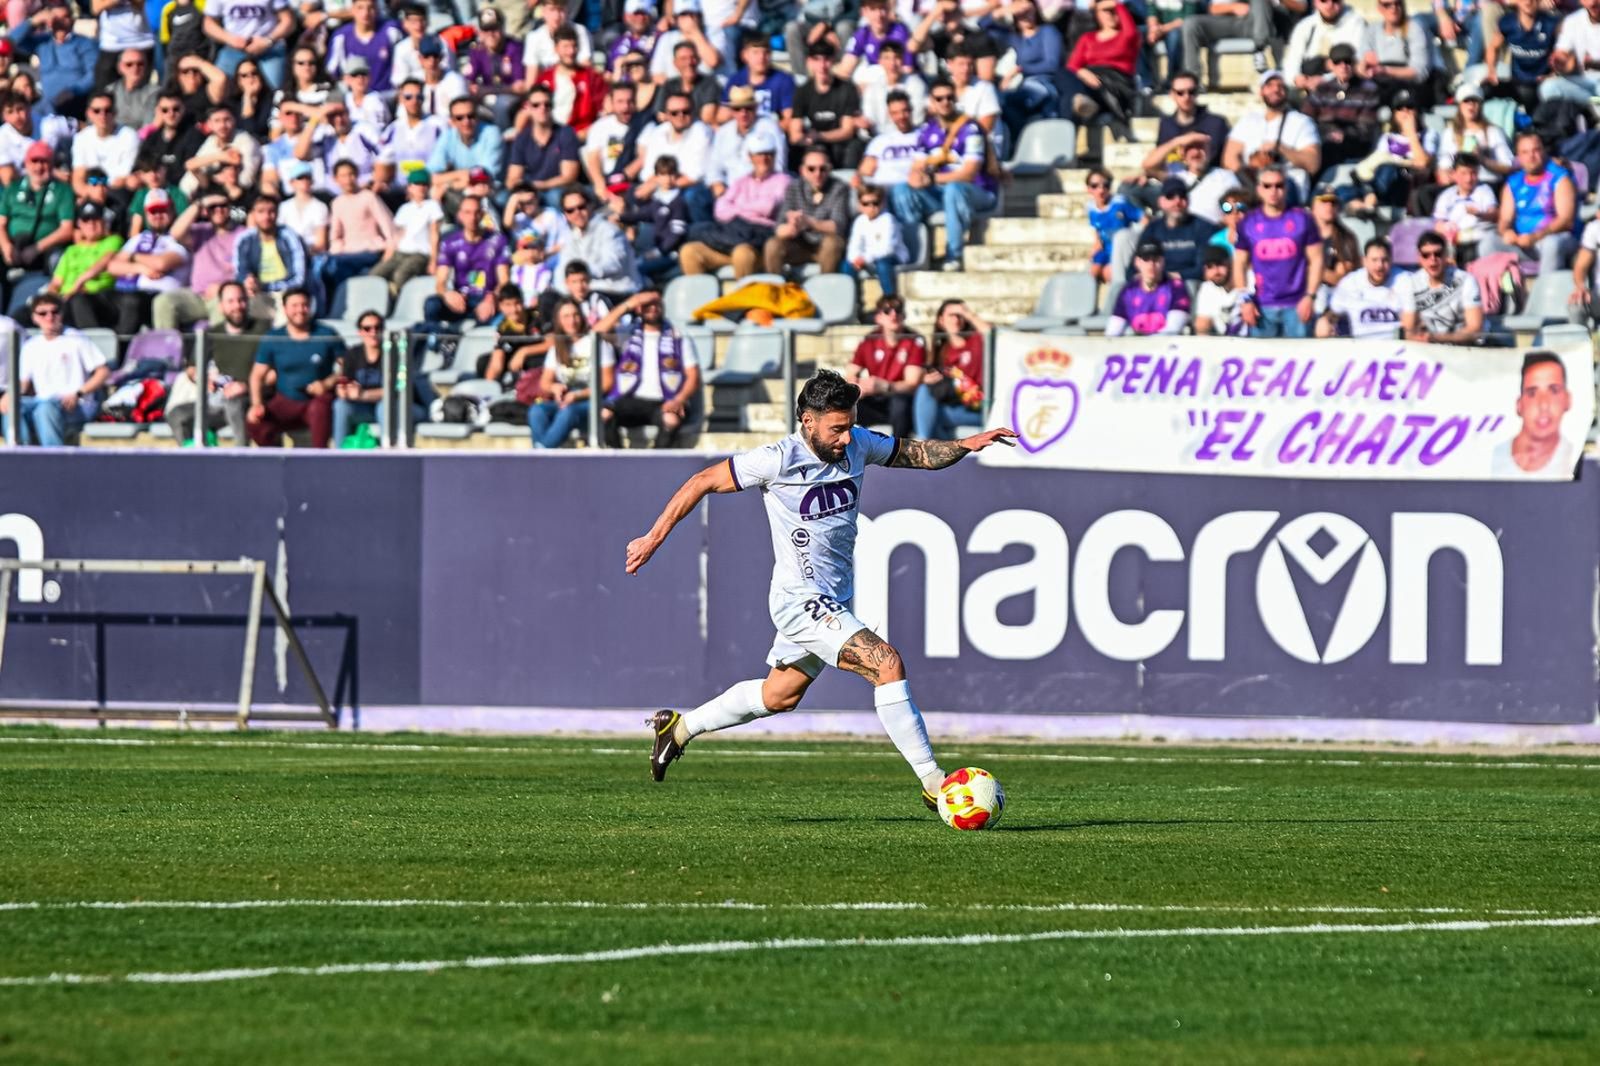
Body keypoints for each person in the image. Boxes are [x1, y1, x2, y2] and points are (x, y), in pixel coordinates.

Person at [629, 369, 1018, 808]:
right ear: (807, 421)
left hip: (834, 598)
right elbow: (701, 481)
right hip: (800, 600)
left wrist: (964, 446)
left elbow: (915, 453)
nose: (847, 439)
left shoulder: (859, 444)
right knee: (886, 664)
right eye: (837, 428)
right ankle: (934, 784)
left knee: (779, 696)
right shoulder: (776, 459)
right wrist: (653, 537)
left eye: (851, 425)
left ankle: (677, 729)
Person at [892, 78, 997, 272]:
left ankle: (953, 255)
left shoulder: (970, 128)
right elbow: (917, 166)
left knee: (954, 189)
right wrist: (916, 178)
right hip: (940, 192)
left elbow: (969, 173)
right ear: (931, 102)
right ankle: (916, 254)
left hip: (976, 191)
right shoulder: (926, 130)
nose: (945, 102)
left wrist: (931, 179)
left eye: (949, 97)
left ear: (955, 99)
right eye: (939, 98)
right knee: (902, 190)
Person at [0, 292, 108, 447]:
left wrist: (78, 393)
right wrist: (10, 396)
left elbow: (103, 372)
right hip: (43, 402)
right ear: (34, 318)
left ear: (62, 313)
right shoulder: (31, 346)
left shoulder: (76, 339)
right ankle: (19, 454)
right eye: (43, 313)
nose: (49, 317)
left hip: (75, 404)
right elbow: (24, 384)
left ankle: (52, 460)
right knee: (15, 406)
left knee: (46, 408)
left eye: (54, 312)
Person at [597, 290, 701, 449]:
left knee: (671, 420)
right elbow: (597, 332)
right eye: (647, 304)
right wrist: (630, 302)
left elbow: (693, 376)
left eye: (656, 303)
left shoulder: (679, 336)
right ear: (638, 308)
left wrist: (679, 399)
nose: (652, 308)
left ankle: (655, 469)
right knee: (604, 414)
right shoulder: (628, 334)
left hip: (665, 400)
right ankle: (618, 465)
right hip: (631, 399)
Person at [680, 129, 789, 278]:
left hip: (759, 241)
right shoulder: (741, 181)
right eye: (759, 154)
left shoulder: (784, 181)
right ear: (750, 157)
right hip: (733, 236)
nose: (763, 159)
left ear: (775, 155)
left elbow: (769, 207)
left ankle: (741, 300)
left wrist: (737, 207)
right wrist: (750, 209)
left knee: (742, 254)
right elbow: (720, 210)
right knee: (690, 251)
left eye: (768, 154)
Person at [247, 287, 344, 447]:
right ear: (285, 309)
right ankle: (274, 461)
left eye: (304, 305)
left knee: (320, 409)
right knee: (256, 422)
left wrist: (327, 383)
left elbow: (347, 366)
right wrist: (256, 404)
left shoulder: (326, 333)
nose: (300, 310)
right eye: (295, 305)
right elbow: (256, 375)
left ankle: (318, 462)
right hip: (285, 399)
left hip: (317, 401)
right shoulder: (273, 337)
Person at [1234, 166, 1323, 337]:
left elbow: (1317, 259)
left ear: (1286, 188)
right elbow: (1239, 263)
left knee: (1300, 358)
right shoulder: (1248, 222)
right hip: (1262, 305)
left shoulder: (1303, 219)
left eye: (1279, 185)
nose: (1273, 191)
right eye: (1267, 186)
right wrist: (1244, 300)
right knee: (1261, 360)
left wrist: (1310, 296)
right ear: (1259, 189)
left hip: (1297, 304)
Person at [527, 295, 616, 448]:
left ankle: (540, 455)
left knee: (569, 412)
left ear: (581, 316)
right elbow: (545, 381)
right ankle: (542, 454)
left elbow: (607, 384)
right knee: (537, 411)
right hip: (566, 399)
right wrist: (554, 387)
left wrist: (577, 395)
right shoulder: (557, 347)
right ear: (558, 320)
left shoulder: (597, 343)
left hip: (593, 401)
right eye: (566, 316)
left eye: (575, 315)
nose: (572, 321)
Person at [1222, 70, 1321, 203]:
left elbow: (1313, 164)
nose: (1275, 90)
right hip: (1251, 183)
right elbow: (1229, 158)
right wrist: (1249, 174)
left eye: (1280, 86)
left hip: (1285, 185)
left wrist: (1280, 148)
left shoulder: (1301, 122)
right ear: (1261, 91)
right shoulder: (1248, 120)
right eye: (1269, 86)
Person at [104, 188, 189, 339]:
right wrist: (140, 267)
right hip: (127, 291)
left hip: (157, 297)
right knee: (82, 300)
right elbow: (112, 266)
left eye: (162, 210)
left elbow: (161, 263)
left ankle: (120, 353)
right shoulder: (139, 238)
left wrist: (132, 257)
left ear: (172, 210)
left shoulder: (178, 238)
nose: (158, 215)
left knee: (132, 302)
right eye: (153, 211)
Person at [1496, 130, 1577, 279]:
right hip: (1522, 242)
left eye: (1536, 150)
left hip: (1555, 238)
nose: (1531, 156)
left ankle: (1545, 297)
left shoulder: (1559, 178)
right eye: (1525, 152)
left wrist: (1535, 236)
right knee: (1489, 242)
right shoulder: (1513, 182)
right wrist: (1506, 231)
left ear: (1543, 151)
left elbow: (1566, 221)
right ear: (1518, 156)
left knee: (1551, 244)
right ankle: (1494, 299)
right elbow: (1505, 219)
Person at [765, 146, 851, 275]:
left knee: (832, 243)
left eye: (823, 169)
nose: (817, 174)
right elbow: (779, 228)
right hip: (799, 244)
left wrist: (809, 222)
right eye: (811, 169)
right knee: (773, 245)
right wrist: (791, 227)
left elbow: (838, 226)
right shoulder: (794, 187)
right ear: (802, 170)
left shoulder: (839, 188)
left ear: (829, 169)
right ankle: (776, 290)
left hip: (825, 246)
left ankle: (825, 290)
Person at [849, 294, 924, 438]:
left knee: (899, 402)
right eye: (887, 310)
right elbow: (851, 373)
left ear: (904, 315)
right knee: (847, 404)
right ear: (878, 317)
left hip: (901, 400)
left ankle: (898, 454)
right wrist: (859, 387)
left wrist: (886, 386)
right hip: (875, 399)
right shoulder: (869, 340)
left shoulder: (914, 341)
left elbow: (912, 383)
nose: (893, 314)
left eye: (898, 310)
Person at [912, 299, 987, 441]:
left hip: (978, 408)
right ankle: (926, 444)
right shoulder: (941, 350)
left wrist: (969, 313)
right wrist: (928, 379)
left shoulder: (975, 341)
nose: (956, 319)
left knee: (930, 414)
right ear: (941, 320)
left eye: (960, 315)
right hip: (955, 407)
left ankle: (922, 445)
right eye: (951, 315)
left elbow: (991, 333)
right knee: (925, 394)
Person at [1301, 42, 1380, 175]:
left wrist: (1344, 135)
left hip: (1353, 146)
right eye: (1338, 62)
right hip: (1324, 141)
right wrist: (1325, 133)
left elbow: (1366, 127)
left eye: (1347, 61)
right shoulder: (1322, 89)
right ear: (1331, 65)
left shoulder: (1368, 90)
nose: (1343, 66)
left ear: (1354, 63)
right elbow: (1305, 119)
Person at [320, 159, 394, 299]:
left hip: (370, 250)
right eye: (343, 176)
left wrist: (389, 248)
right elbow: (335, 236)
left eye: (351, 174)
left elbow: (387, 225)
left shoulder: (368, 197)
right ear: (336, 179)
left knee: (338, 265)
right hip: (347, 253)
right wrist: (336, 251)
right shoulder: (337, 203)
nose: (348, 179)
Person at [1490, 351, 1574, 476]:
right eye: (1532, 393)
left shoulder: (1574, 459)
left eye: (1554, 391)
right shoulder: (1493, 456)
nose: (1543, 405)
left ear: (1567, 400)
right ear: (1519, 404)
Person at [232, 194, 310, 325]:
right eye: (261, 211)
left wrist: (265, 286)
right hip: (257, 294)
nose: (266, 216)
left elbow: (298, 278)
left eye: (271, 211)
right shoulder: (244, 240)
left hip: (286, 292)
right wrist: (248, 281)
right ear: (253, 214)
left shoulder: (289, 237)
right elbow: (240, 272)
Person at [1397, 229, 1485, 343]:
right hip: (1430, 350)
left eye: (1438, 254)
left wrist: (1437, 339)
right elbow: (1409, 330)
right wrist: (1422, 338)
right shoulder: (1411, 283)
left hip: (1467, 348)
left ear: (1446, 255)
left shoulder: (1466, 281)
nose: (1433, 259)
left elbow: (1475, 329)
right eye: (1426, 255)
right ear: (1419, 258)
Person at [789, 41, 863, 170]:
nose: (822, 66)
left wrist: (819, 136)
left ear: (833, 61)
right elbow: (795, 132)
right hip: (814, 143)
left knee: (854, 146)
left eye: (826, 59)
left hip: (840, 144)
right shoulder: (803, 91)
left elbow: (847, 131)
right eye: (816, 60)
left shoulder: (847, 89)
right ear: (809, 62)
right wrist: (803, 139)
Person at [505, 86, 584, 208]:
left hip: (558, 189)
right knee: (502, 199)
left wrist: (539, 185)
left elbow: (569, 176)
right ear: (528, 108)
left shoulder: (566, 133)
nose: (542, 108)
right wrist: (522, 191)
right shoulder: (522, 138)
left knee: (554, 197)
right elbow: (512, 179)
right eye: (536, 105)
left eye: (547, 104)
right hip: (530, 191)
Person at [1127, 177, 1219, 281]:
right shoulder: (1152, 229)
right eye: (1170, 196)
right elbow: (1133, 269)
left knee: (1191, 284)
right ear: (1160, 202)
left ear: (1188, 201)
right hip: (1156, 282)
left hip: (1186, 283)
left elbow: (1203, 269)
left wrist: (1173, 276)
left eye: (1182, 196)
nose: (1177, 202)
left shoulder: (1203, 228)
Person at [50, 201, 122, 330]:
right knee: (27, 312)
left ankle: (91, 345)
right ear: (79, 224)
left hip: (98, 297)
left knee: (79, 301)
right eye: (86, 220)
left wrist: (76, 286)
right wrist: (50, 298)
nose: (91, 224)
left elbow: (102, 263)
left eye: (96, 220)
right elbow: (56, 283)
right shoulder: (71, 250)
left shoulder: (113, 241)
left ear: (104, 222)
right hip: (67, 297)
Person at [1321, 237, 1401, 337]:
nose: (1380, 265)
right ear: (1365, 261)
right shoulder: (1351, 283)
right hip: (1361, 347)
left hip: (1396, 347)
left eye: (1384, 260)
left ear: (1391, 261)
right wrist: (1325, 321)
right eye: (1374, 260)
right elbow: (1333, 312)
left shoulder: (1402, 280)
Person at [1108, 241, 1193, 335]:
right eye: (1146, 259)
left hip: (1167, 347)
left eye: (1156, 259)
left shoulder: (1176, 288)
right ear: (1137, 262)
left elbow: (1173, 329)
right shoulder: (1128, 291)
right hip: (1137, 346)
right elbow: (1113, 331)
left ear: (1163, 261)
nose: (1151, 264)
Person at [1181, 0, 1273, 85]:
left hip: (1249, 23)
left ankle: (1260, 49)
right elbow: (1211, 8)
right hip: (1218, 23)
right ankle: (1193, 82)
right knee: (1190, 24)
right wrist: (1232, 7)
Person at [1284, 0, 1369, 93]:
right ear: (1315, 2)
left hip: (1344, 86)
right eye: (1324, 1)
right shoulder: (1305, 26)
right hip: (1307, 86)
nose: (1330, 5)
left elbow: (1356, 62)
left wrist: (1325, 80)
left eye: (1335, 1)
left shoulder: (1356, 24)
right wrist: (1297, 79)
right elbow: (1292, 61)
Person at [844, 186, 908, 298]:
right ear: (859, 204)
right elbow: (854, 246)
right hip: (868, 259)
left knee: (882, 264)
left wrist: (864, 259)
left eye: (875, 203)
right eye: (866, 203)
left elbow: (887, 249)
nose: (871, 207)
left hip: (893, 257)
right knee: (846, 266)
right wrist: (855, 259)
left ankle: (890, 298)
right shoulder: (859, 221)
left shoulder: (888, 220)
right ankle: (851, 300)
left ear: (882, 203)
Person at [1433, 152, 1500, 258]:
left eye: (1473, 173)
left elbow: (1494, 214)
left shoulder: (1485, 191)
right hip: (1453, 241)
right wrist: (1446, 228)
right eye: (1463, 173)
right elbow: (1438, 223)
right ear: (1454, 174)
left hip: (1478, 240)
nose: (1469, 178)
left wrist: (1480, 214)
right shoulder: (1446, 196)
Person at [1086, 166, 1141, 285]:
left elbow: (1143, 218)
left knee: (1109, 273)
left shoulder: (1120, 203)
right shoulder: (1091, 209)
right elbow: (1098, 235)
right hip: (1106, 251)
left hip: (1120, 252)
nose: (1101, 190)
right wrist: (1094, 251)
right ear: (1088, 189)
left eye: (1105, 185)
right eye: (1095, 186)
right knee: (1091, 272)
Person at [1193, 243, 1249, 334]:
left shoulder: (1248, 281)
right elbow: (1202, 324)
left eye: (1220, 264)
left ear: (1230, 263)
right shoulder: (1207, 288)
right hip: (1223, 343)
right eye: (1209, 266)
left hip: (1253, 341)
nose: (1216, 271)